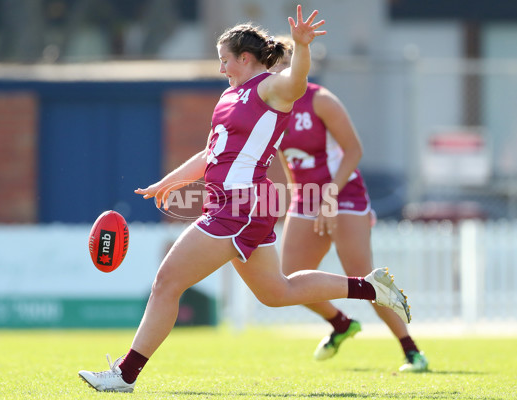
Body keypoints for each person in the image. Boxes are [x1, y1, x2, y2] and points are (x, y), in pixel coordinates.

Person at [78, 6, 411, 393]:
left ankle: (124, 374)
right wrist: (167, 183)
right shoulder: (229, 97)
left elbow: (297, 82)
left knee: (166, 282)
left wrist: (302, 47)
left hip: (239, 205)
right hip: (238, 206)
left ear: (245, 58)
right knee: (277, 292)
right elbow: (209, 155)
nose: (221, 68)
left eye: (225, 60)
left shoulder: (269, 88)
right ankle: (371, 288)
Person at [268, 37, 428, 372]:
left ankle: (412, 352)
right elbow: (285, 159)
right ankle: (341, 323)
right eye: (274, 66)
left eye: (285, 64)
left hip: (344, 195)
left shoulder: (321, 100)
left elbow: (354, 150)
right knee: (286, 280)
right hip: (307, 200)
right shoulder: (271, 106)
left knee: (363, 279)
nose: (279, 72)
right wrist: (296, 199)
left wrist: (328, 196)